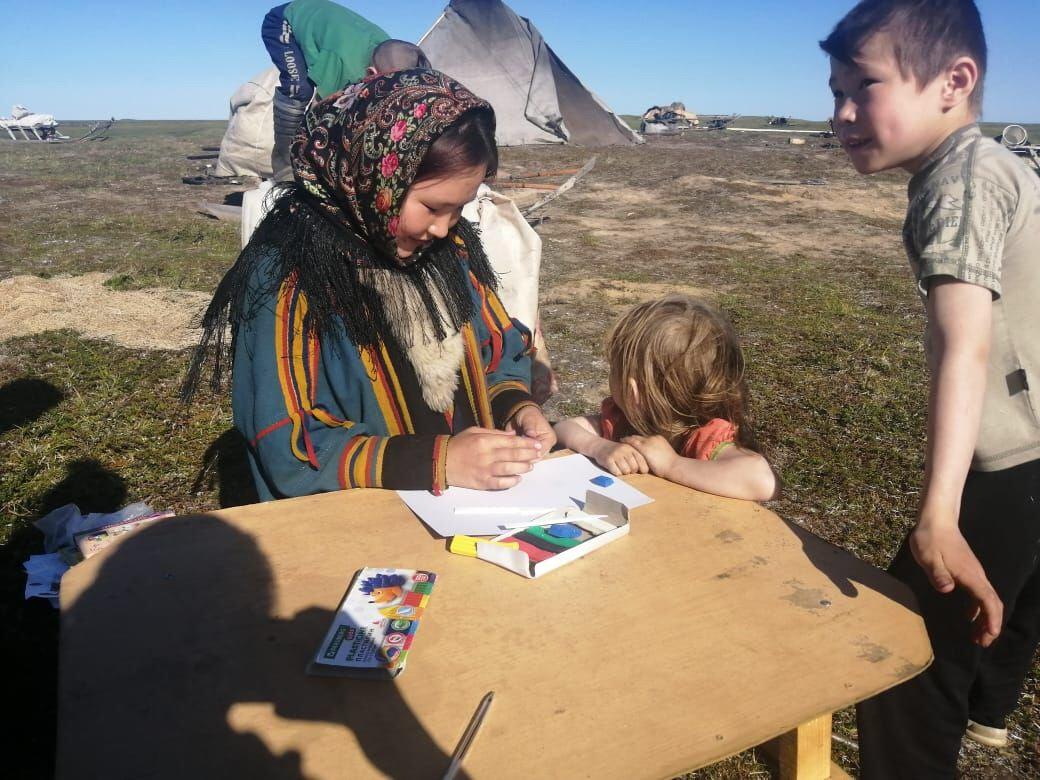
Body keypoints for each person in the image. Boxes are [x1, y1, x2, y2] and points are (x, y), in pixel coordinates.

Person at [821, 1, 1040, 776]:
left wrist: (939, 515)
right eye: (835, 93)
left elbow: (964, 346)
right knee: (1015, 600)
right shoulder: (999, 164)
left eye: (866, 87)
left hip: (1007, 460)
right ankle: (991, 714)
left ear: (955, 81)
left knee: (908, 663)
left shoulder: (960, 183)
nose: (843, 113)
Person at [184, 69, 555, 499]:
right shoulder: (288, 275)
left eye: (459, 209)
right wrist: (438, 461)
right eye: (432, 207)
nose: (443, 227)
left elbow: (496, 349)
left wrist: (515, 406)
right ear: (376, 176)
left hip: (471, 504)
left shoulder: (448, 250)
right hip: (361, 515)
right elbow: (288, 441)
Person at [553, 295, 777, 502]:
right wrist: (600, 447)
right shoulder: (623, 420)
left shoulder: (704, 437)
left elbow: (761, 481)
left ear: (632, 391)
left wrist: (672, 464)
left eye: (613, 370)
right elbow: (564, 428)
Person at [261, 0, 429, 180]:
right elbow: (322, 110)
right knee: (298, 89)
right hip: (285, 20)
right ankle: (285, 166)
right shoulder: (346, 68)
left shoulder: (394, 54)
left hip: (334, 32)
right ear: (371, 73)